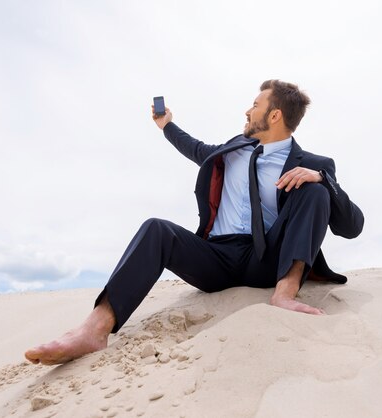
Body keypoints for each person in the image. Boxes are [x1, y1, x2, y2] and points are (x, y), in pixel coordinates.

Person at [25, 80, 364, 365]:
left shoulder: (314, 164)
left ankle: (285, 295)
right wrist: (166, 125)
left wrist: (322, 178)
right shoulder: (234, 149)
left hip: (268, 261)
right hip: (215, 259)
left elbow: (352, 226)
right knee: (156, 228)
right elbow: (195, 148)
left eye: (255, 104)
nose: (247, 111)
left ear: (274, 115)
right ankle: (93, 331)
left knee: (315, 192)